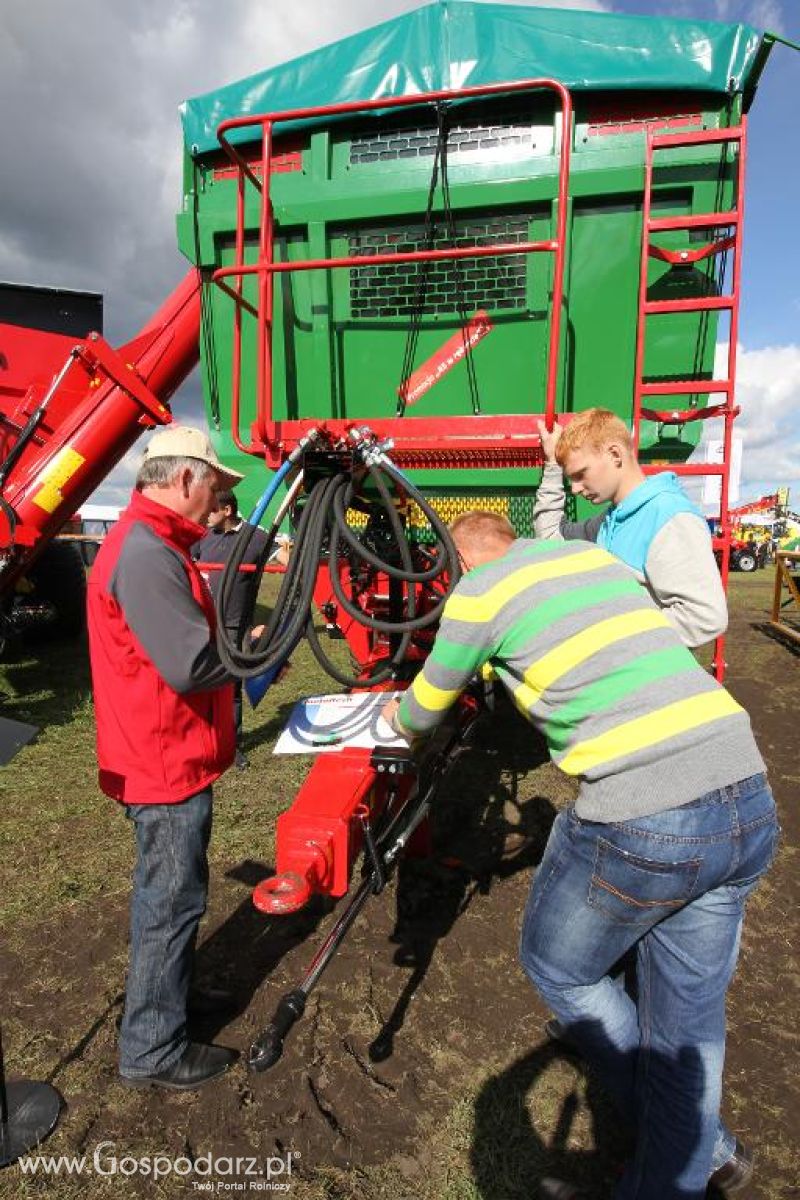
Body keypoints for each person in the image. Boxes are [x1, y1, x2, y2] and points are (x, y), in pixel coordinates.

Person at [382, 511, 777, 1199]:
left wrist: (390, 718)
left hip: (648, 809)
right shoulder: (589, 558)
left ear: (458, 560)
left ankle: (691, 1135)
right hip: (744, 790)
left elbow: (423, 712)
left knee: (560, 967)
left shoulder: (480, 591)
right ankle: (691, 1162)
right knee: (689, 1020)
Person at [87, 425, 251, 1092]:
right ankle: (152, 1048)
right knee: (169, 902)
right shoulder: (147, 552)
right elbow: (190, 666)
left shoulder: (153, 544)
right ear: (185, 479)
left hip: (168, 753)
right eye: (214, 484)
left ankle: (170, 999)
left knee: (180, 893)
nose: (216, 498)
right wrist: (257, 654)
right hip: (162, 762)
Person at [533, 409, 727, 648]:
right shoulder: (610, 520)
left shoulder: (669, 517)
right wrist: (552, 465)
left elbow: (705, 618)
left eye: (581, 474)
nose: (575, 489)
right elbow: (551, 539)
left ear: (615, 454)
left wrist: (607, 634)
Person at [192, 489, 270, 769]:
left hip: (235, 626)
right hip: (204, 622)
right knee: (201, 682)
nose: (206, 514)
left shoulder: (256, 538)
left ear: (227, 511)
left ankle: (231, 745)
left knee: (231, 687)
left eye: (212, 509)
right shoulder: (203, 538)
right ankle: (204, 739)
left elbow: (285, 561)